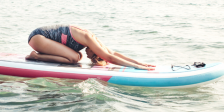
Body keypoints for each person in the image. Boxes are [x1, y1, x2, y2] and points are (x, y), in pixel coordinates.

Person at [26, 24, 155, 70]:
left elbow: (114, 53)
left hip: (42, 39)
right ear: (95, 50)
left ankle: (37, 55)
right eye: (93, 55)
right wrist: (137, 67)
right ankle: (36, 56)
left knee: (77, 56)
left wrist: (140, 62)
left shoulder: (96, 42)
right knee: (74, 58)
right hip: (38, 38)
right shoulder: (89, 38)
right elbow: (110, 58)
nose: (88, 56)